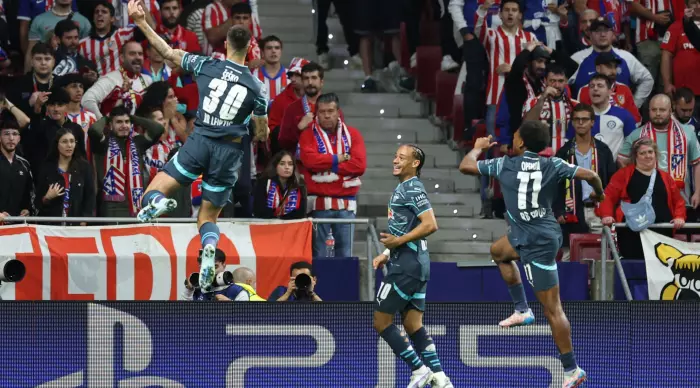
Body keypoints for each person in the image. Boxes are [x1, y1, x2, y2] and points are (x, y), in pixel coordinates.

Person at [129, 0, 269, 291]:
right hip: (229, 153)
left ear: (226, 44)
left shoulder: (207, 64)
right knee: (207, 217)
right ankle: (208, 250)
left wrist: (141, 22)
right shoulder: (257, 89)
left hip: (200, 140)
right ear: (249, 48)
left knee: (152, 192)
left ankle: (158, 205)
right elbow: (261, 132)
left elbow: (167, 52)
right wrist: (253, 127)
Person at [458, 121, 606, 387]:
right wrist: (599, 194)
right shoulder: (554, 164)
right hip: (527, 235)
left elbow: (466, 166)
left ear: (521, 143)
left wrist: (478, 148)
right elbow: (592, 175)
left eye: (514, 135)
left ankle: (572, 370)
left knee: (553, 310)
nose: (511, 138)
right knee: (498, 252)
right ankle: (522, 310)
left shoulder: (503, 164)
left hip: (538, 242)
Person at [372, 144, 452, 388]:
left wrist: (397, 243)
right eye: (395, 156)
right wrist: (388, 251)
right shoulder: (403, 188)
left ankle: (419, 370)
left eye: (402, 157)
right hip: (415, 263)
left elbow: (430, 224)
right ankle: (439, 376)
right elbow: (406, 227)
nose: (395, 160)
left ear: (415, 163)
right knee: (412, 324)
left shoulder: (413, 187)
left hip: (406, 265)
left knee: (381, 321)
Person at [298, 93, 366, 258]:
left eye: (330, 111)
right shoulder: (307, 135)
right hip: (318, 206)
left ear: (338, 112)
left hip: (346, 206)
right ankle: (318, 285)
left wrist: (327, 165)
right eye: (322, 112)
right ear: (316, 113)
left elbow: (359, 166)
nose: (327, 115)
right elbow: (309, 162)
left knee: (345, 254)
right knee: (318, 255)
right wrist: (340, 159)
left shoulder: (353, 134)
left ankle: (344, 285)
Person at [600, 137, 686, 258]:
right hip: (632, 234)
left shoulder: (666, 177)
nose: (647, 156)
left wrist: (679, 217)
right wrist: (606, 215)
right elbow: (607, 196)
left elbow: (678, 201)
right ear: (635, 156)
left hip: (662, 234)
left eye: (650, 152)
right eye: (642, 153)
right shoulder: (623, 174)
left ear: (655, 154)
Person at [618, 94, 700, 207]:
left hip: (681, 199)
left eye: (662, 110)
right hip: (646, 199)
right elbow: (622, 159)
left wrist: (698, 193)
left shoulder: (687, 133)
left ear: (671, 110)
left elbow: (697, 164)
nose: (657, 113)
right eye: (654, 110)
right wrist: (632, 182)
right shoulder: (637, 135)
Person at [554, 104, 617, 249]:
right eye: (577, 119)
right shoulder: (564, 152)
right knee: (570, 255)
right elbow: (556, 185)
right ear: (572, 122)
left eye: (584, 119)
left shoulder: (603, 150)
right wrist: (559, 211)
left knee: (601, 255)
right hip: (573, 212)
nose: (580, 123)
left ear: (592, 122)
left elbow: (612, 182)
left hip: (598, 211)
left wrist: (608, 206)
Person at [88, 106, 164, 217]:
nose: (124, 126)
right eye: (119, 122)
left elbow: (158, 129)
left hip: (135, 205)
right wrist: (107, 118)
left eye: (127, 122)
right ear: (110, 125)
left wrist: (134, 118)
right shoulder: (103, 143)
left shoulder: (138, 143)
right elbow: (93, 130)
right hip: (110, 207)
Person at [34, 127, 95, 222]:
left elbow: (90, 196)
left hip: (76, 225)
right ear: (57, 144)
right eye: (64, 142)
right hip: (51, 226)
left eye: (72, 141)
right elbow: (37, 202)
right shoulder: (47, 168)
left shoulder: (84, 167)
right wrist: (47, 198)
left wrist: (85, 220)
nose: (69, 145)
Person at [82, 40, 153, 119]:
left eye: (140, 54)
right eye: (132, 54)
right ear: (122, 58)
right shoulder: (111, 79)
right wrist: (103, 123)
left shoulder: (147, 80)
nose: (137, 57)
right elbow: (87, 100)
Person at [181, 250, 264, 301]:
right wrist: (188, 290)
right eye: (206, 267)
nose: (211, 271)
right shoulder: (195, 291)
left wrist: (230, 306)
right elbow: (183, 318)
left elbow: (244, 322)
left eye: (215, 266)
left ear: (224, 265)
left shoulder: (237, 291)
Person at [253, 150, 307, 219]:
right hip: (267, 225)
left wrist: (282, 217)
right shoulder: (263, 182)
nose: (287, 167)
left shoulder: (300, 184)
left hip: (292, 226)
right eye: (282, 164)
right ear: (275, 166)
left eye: (290, 164)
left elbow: (301, 213)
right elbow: (259, 210)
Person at [0, 118, 35, 221]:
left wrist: (27, 209)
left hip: (17, 225)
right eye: (6, 134)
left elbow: (30, 193)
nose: (11, 138)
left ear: (19, 138)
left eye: (15, 134)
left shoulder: (24, 164)